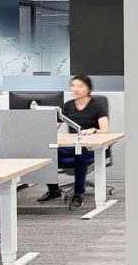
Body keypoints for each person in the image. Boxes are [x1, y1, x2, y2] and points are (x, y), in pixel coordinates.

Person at [37, 74, 110, 210]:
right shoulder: (67, 106)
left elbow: (105, 129)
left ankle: (78, 194)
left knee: (80, 155)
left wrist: (93, 130)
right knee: (46, 152)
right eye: (73, 86)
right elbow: (55, 125)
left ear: (88, 89)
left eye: (80, 86)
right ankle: (54, 190)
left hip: (89, 148)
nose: (76, 89)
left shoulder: (97, 105)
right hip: (72, 145)